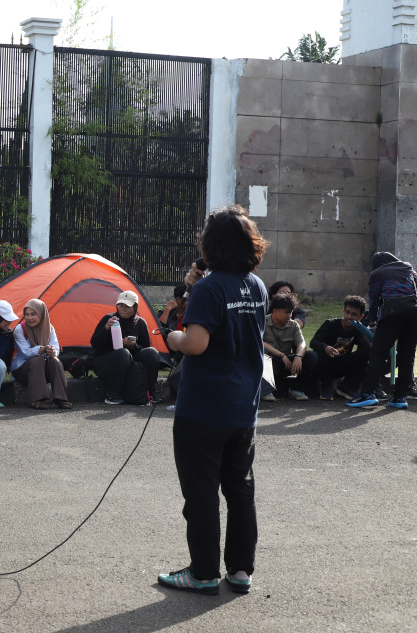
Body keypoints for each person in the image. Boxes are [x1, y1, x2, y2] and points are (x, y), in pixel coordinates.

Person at [158, 204, 269, 596]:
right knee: (240, 492)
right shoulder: (257, 286)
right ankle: (240, 571)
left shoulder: (210, 288)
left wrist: (173, 337)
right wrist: (194, 288)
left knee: (202, 494)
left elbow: (196, 343)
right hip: (243, 408)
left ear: (211, 245)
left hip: (204, 408)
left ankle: (203, 573)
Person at [347, 252, 417, 409]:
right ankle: (400, 397)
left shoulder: (378, 273)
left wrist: (371, 322)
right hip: (413, 314)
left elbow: (374, 300)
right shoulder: (409, 270)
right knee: (407, 356)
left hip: (392, 313)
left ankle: (367, 394)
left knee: (378, 353)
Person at [89, 291, 160, 405]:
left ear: (135, 307)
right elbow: (95, 344)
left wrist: (134, 346)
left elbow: (145, 348)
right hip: (105, 361)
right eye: (120, 306)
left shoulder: (140, 323)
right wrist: (106, 328)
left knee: (152, 353)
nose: (123, 309)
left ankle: (151, 393)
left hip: (129, 361)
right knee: (123, 353)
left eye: (127, 306)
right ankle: (112, 394)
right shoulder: (109, 319)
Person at [11, 299, 71, 409]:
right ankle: (37, 400)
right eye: (27, 314)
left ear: (42, 314)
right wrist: (41, 349)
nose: (29, 318)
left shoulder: (49, 328)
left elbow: (55, 348)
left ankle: (61, 399)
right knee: (37, 359)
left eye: (33, 314)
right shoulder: (20, 329)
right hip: (23, 370)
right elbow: (26, 352)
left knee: (55, 361)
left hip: (43, 369)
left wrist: (52, 352)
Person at [309, 295, 370, 401]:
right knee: (317, 354)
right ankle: (326, 384)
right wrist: (325, 347)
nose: (349, 317)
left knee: (365, 353)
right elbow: (313, 342)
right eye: (347, 312)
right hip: (325, 364)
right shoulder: (330, 324)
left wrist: (371, 337)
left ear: (361, 317)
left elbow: (365, 347)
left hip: (342, 363)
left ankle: (347, 387)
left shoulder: (358, 329)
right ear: (343, 311)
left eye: (354, 314)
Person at [262, 292, 316, 400]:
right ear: (275, 311)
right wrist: (281, 355)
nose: (289, 315)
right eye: (286, 312)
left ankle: (298, 390)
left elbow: (302, 343)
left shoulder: (293, 325)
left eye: (291, 312)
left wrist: (298, 357)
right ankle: (266, 391)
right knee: (263, 355)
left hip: (287, 363)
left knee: (311, 356)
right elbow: (260, 343)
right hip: (269, 364)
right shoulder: (262, 322)